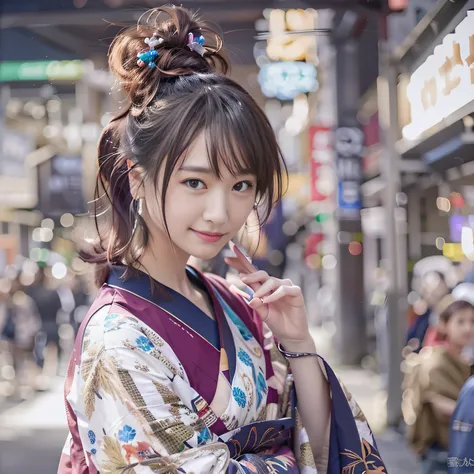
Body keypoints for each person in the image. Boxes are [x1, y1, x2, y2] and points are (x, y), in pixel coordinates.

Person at [58, 6, 386, 474]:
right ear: (136, 178)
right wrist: (280, 456)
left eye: (241, 186)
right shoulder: (118, 339)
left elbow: (325, 442)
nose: (221, 212)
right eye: (195, 182)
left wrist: (297, 342)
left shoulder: (238, 302)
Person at [402, 300, 474, 474]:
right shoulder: (434, 362)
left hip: (461, 445)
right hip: (439, 450)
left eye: (472, 321)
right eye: (460, 321)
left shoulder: (464, 361)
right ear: (443, 325)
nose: (468, 328)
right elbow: (439, 405)